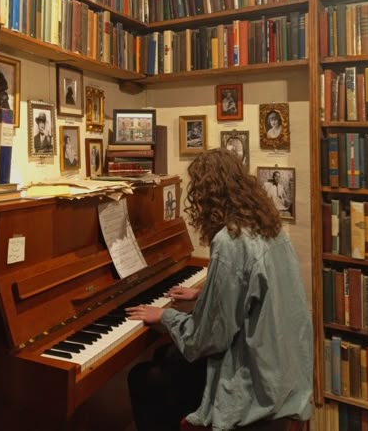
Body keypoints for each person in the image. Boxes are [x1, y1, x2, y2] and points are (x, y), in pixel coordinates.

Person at [126, 148, 312, 431]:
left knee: (144, 376)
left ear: (209, 197)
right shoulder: (269, 227)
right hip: (284, 370)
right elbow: (256, 287)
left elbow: (206, 339)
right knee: (166, 356)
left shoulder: (230, 240)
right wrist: (204, 293)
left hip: (255, 385)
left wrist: (165, 317)